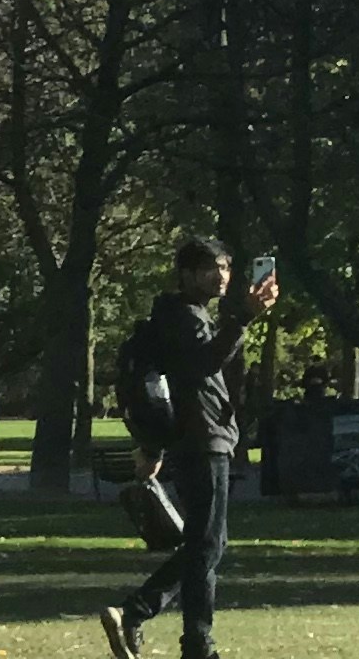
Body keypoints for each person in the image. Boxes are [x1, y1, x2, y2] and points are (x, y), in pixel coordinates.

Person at [103, 235, 277, 659]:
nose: (221, 276)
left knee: (205, 545)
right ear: (186, 274)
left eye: (225, 267)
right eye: (210, 269)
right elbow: (204, 363)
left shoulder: (180, 316)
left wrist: (154, 447)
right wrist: (245, 316)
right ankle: (176, 633)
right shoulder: (183, 317)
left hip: (197, 438)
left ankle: (166, 628)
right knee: (207, 546)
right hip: (202, 441)